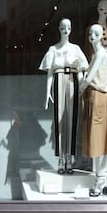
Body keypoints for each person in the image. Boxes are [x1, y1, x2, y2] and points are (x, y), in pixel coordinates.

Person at [39, 18, 89, 174]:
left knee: (72, 120)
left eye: (68, 27)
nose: (66, 30)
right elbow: (49, 73)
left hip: (73, 81)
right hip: (58, 79)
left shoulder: (76, 49)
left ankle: (69, 158)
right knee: (59, 120)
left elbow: (82, 69)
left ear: (71, 29)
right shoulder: (53, 49)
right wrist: (47, 92)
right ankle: (61, 158)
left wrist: (82, 88)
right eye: (63, 27)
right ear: (59, 29)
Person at [80, 24, 107, 197]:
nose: (92, 36)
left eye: (96, 33)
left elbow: (88, 78)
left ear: (102, 35)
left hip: (97, 97)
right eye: (90, 33)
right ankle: (102, 180)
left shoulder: (100, 53)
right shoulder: (98, 54)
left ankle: (100, 181)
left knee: (98, 138)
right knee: (99, 138)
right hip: (98, 96)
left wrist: (81, 86)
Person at [85, 0, 107, 101]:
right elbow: (88, 49)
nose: (104, 12)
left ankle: (106, 114)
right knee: (97, 96)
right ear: (97, 9)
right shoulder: (90, 29)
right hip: (96, 67)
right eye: (101, 9)